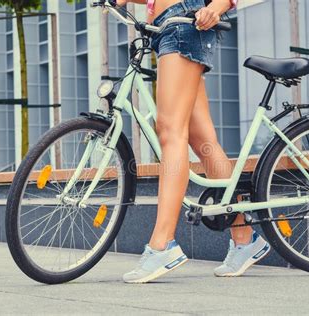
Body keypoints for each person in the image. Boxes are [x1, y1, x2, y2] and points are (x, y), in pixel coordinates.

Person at [118, 0, 271, 283]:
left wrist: (218, 6)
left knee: (170, 130)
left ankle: (162, 244)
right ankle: (245, 239)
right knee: (203, 141)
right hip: (169, 28)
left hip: (185, 24)